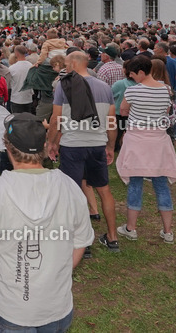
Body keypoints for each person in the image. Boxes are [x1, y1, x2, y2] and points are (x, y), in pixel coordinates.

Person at [0, 112, 93, 333]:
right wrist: (57, 271)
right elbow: (80, 241)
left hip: (11, 307)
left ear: (8, 147)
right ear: (45, 145)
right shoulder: (69, 186)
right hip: (56, 306)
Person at [47, 50, 120, 253]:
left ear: (72, 64)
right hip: (97, 143)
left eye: (66, 64)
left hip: (72, 145)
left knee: (73, 192)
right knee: (104, 190)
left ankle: (82, 242)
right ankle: (112, 238)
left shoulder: (64, 85)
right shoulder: (105, 87)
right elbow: (111, 122)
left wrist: (51, 143)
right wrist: (110, 146)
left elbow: (56, 119)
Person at [115, 56, 176, 244]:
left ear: (141, 72)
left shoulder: (133, 91)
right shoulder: (166, 90)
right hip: (159, 141)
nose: (132, 77)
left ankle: (131, 228)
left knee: (135, 183)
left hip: (137, 140)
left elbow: (123, 111)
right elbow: (167, 110)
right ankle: (168, 231)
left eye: (133, 74)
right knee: (161, 185)